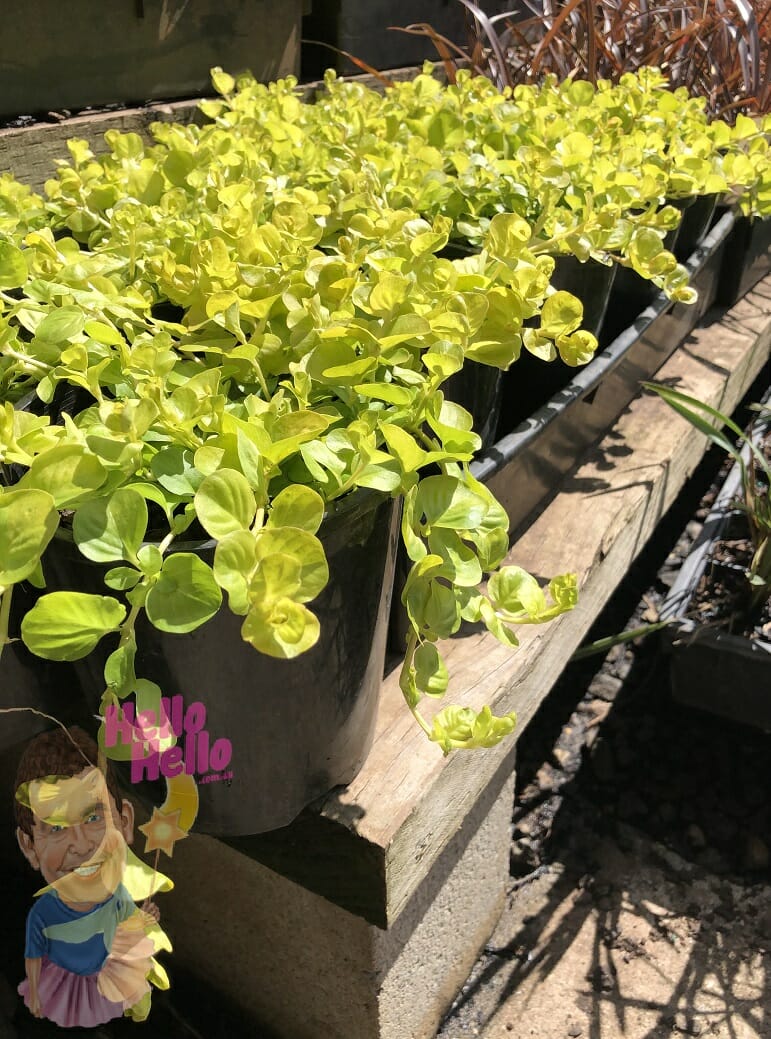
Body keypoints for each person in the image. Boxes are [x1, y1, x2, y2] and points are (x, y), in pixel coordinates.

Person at [14, 725, 167, 1028]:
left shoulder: (119, 894)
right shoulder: (41, 914)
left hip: (108, 978)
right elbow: (33, 956)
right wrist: (35, 993)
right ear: (29, 847)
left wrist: (144, 921)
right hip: (62, 985)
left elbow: (129, 927)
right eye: (57, 827)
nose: (82, 845)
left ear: (124, 822)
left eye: (94, 817)